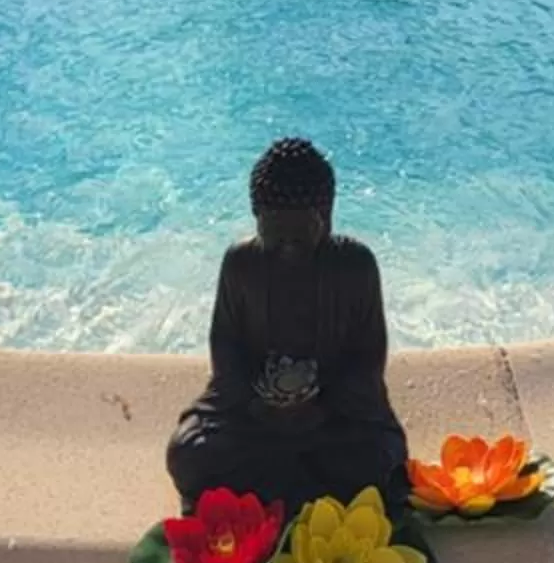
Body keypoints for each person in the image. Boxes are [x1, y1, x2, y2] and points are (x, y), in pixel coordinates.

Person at [166, 138, 409, 514]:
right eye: (277, 239)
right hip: (254, 417)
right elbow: (226, 350)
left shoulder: (355, 266)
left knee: (380, 461)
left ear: (326, 217)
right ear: (257, 217)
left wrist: (321, 406)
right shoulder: (241, 264)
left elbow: (367, 361)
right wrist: (259, 404)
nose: (289, 252)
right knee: (189, 453)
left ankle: (278, 492)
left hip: (334, 420)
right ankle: (306, 492)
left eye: (301, 238)